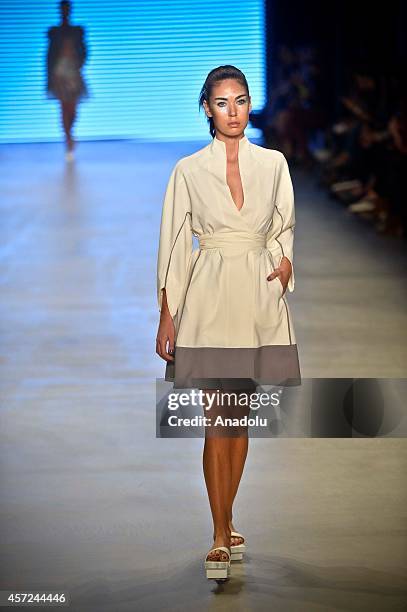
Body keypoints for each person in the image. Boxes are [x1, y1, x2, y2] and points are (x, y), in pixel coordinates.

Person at [156, 65, 301, 581]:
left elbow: (283, 224)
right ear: (207, 109)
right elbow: (174, 242)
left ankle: (228, 517)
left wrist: (284, 263)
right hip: (211, 298)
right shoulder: (189, 171)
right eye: (222, 103)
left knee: (238, 422)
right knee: (217, 421)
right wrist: (167, 312)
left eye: (241, 101)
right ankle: (219, 536)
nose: (233, 111)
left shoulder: (274, 163)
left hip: (258, 301)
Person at [46, 0, 88, 161]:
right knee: (64, 108)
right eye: (62, 8)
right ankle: (68, 140)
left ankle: (71, 135)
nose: (65, 11)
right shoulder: (54, 32)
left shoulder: (77, 31)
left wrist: (79, 64)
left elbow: (84, 51)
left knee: (73, 109)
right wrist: (50, 79)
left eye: (67, 8)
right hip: (59, 74)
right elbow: (49, 57)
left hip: (73, 73)